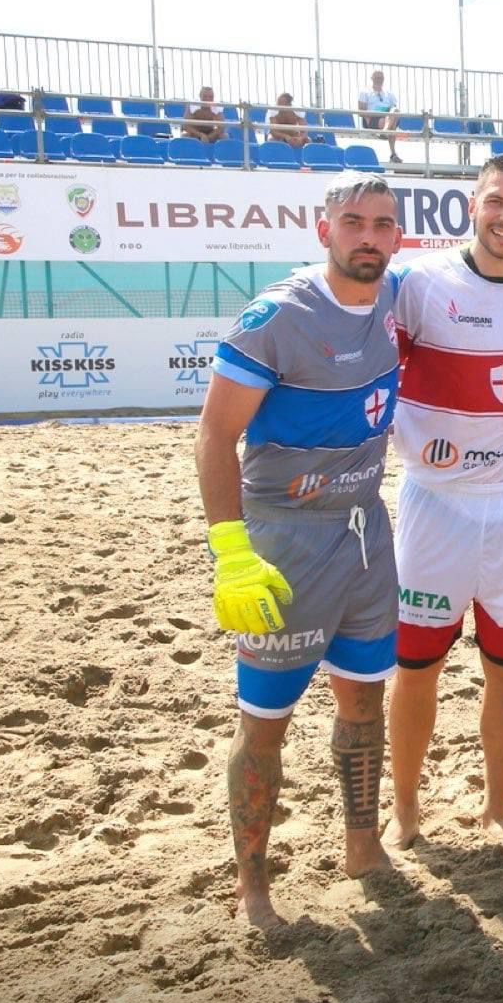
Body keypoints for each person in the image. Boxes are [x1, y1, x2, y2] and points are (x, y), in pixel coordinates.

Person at [193, 171, 404, 927]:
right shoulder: (276, 317)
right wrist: (231, 550)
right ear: (325, 231)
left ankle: (362, 845)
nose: (369, 235)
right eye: (354, 221)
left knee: (363, 697)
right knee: (266, 717)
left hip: (366, 533)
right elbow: (215, 434)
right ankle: (252, 885)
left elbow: (486, 271)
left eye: (383, 223)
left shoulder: (393, 293)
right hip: (285, 536)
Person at [383, 153, 503, 858]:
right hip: (439, 502)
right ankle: (405, 807)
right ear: (471, 205)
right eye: (496, 202)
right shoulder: (420, 283)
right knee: (417, 664)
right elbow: (376, 361)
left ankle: (495, 808)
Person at [358, 70, 400, 163]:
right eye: (377, 78)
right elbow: (361, 111)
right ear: (372, 79)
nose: (379, 80)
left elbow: (395, 107)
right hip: (373, 118)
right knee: (392, 126)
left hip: (388, 116)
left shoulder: (389, 93)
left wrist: (387, 112)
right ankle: (393, 153)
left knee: (395, 111)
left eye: (381, 78)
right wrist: (371, 118)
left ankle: (384, 131)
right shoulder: (365, 92)